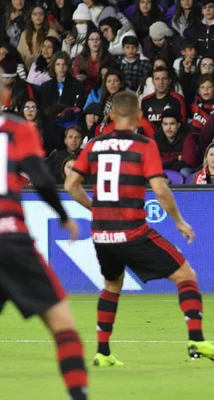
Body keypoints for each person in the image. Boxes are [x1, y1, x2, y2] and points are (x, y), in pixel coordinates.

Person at [64, 91, 214, 366]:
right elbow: (160, 189)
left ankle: (103, 353)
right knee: (185, 275)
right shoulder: (144, 145)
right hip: (132, 231)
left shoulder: (93, 144)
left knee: (111, 285)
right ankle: (197, 339)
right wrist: (179, 220)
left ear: (112, 116)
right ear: (141, 116)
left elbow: (71, 185)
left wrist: (95, 208)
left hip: (102, 234)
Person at [0, 72, 88, 399]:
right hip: (10, 236)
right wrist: (64, 217)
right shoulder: (17, 129)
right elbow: (39, 177)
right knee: (63, 324)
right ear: (5, 95)